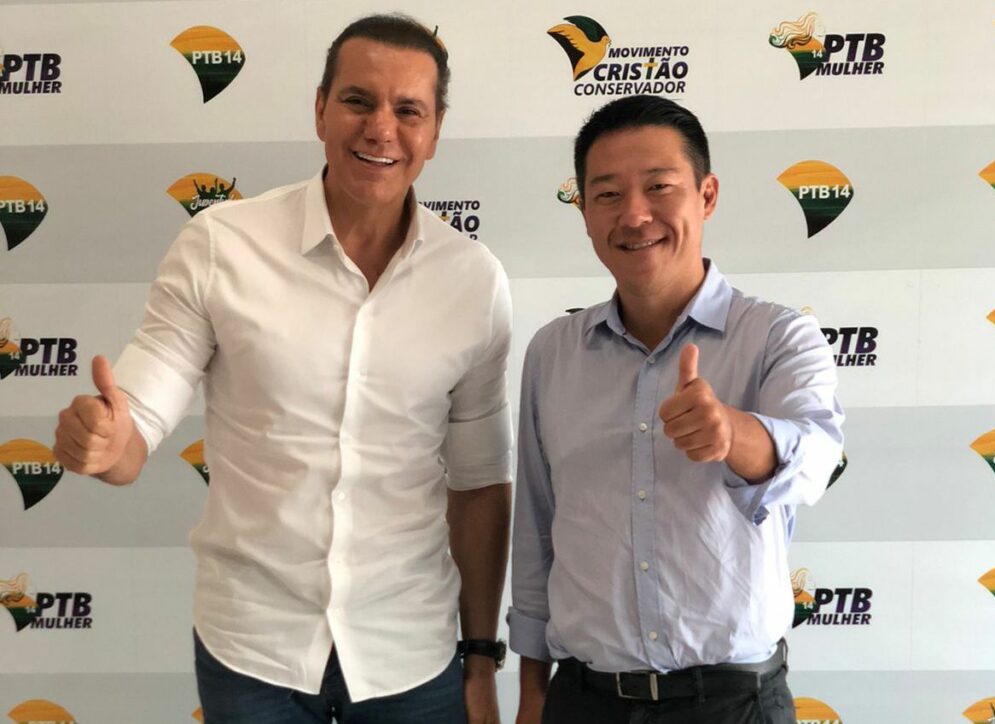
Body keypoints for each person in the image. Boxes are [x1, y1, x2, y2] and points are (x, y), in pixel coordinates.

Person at [53, 14, 511, 724]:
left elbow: (478, 486)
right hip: (252, 651)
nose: (380, 129)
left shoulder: (473, 281)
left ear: (435, 130)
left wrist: (479, 659)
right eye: (358, 101)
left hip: (411, 654)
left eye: (408, 110)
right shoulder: (220, 246)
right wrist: (105, 443)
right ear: (320, 109)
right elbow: (136, 421)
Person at [509, 95, 844, 724]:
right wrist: (532, 693)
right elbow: (536, 528)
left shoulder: (778, 337)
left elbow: (816, 459)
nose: (635, 215)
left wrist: (734, 434)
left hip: (734, 704)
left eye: (659, 187)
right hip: (584, 701)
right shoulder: (553, 352)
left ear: (706, 195)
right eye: (608, 194)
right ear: (584, 212)